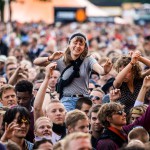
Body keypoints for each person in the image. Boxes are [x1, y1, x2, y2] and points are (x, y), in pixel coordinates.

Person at [34, 32, 112, 111]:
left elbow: (101, 71)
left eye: (81, 44)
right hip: (67, 100)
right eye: (75, 43)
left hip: (83, 100)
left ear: (84, 47)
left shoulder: (88, 59)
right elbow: (36, 62)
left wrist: (105, 70)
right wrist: (50, 58)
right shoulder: (62, 59)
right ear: (69, 44)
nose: (77, 46)